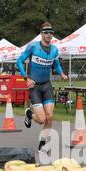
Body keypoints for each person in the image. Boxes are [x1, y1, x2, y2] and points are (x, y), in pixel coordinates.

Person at [17, 22, 68, 153]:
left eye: (51, 32)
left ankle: (42, 144)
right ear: (41, 34)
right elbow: (19, 61)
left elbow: (56, 64)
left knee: (50, 117)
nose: (49, 34)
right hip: (35, 87)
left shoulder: (55, 49)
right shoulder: (33, 47)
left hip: (47, 85)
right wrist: (26, 78)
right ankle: (29, 113)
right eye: (46, 32)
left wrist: (61, 73)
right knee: (41, 120)